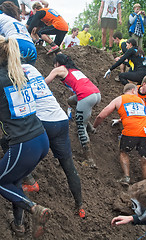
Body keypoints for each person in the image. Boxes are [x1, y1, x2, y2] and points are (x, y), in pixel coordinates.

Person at [0, 35, 51, 238]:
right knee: (15, 180)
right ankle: (19, 226)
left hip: (24, 144)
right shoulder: (19, 74)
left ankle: (34, 210)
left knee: (1, 182)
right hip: (40, 139)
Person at [20, 62, 84, 217]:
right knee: (68, 166)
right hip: (61, 119)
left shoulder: (12, 72)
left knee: (15, 145)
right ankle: (80, 207)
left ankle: (30, 182)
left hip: (43, 121)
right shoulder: (31, 68)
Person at [45, 53, 101, 168]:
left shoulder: (59, 69)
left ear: (58, 63)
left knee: (80, 126)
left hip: (86, 96)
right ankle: (90, 127)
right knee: (71, 101)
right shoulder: (74, 70)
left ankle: (89, 160)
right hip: (96, 94)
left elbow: (44, 82)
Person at [93, 83, 146, 184]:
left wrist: (93, 127)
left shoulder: (119, 99)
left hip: (131, 131)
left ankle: (126, 177)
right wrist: (121, 120)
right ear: (133, 90)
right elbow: (137, 115)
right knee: (145, 160)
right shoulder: (141, 101)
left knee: (123, 152)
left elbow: (101, 116)